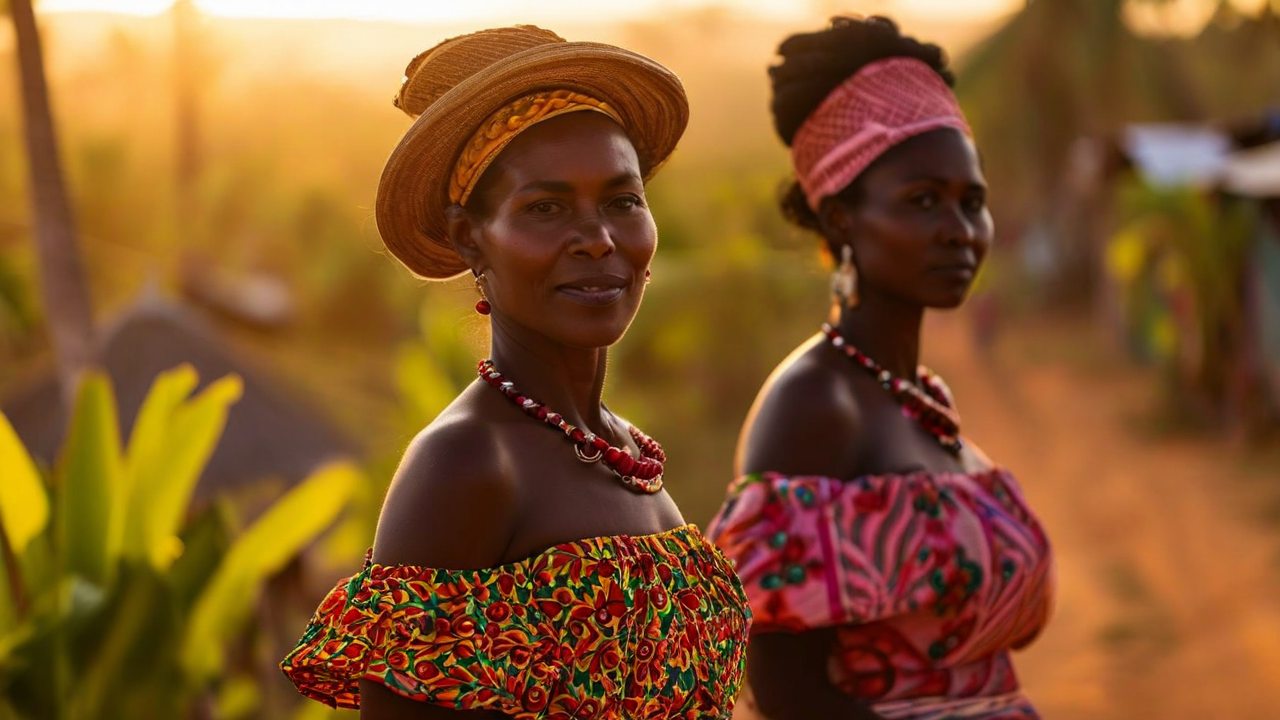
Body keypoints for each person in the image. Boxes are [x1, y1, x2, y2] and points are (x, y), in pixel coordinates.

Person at [280, 26, 751, 719]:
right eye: (546, 208)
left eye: (622, 201)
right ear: (470, 237)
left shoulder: (620, 449)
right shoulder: (468, 465)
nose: (598, 240)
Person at [707, 16, 1054, 720]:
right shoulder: (815, 405)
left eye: (972, 203)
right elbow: (786, 690)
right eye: (922, 201)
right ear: (841, 219)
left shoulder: (920, 399)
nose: (960, 231)